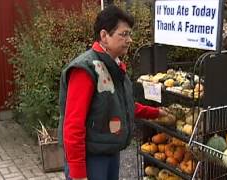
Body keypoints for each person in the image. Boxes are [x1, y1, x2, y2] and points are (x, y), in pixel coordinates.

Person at [58, 5, 167, 180]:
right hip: (91, 158)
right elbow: (73, 126)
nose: (129, 39)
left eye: (130, 34)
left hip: (109, 151)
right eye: (123, 34)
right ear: (104, 36)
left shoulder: (113, 66)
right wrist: (79, 175)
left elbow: (121, 105)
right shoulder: (85, 70)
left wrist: (156, 113)